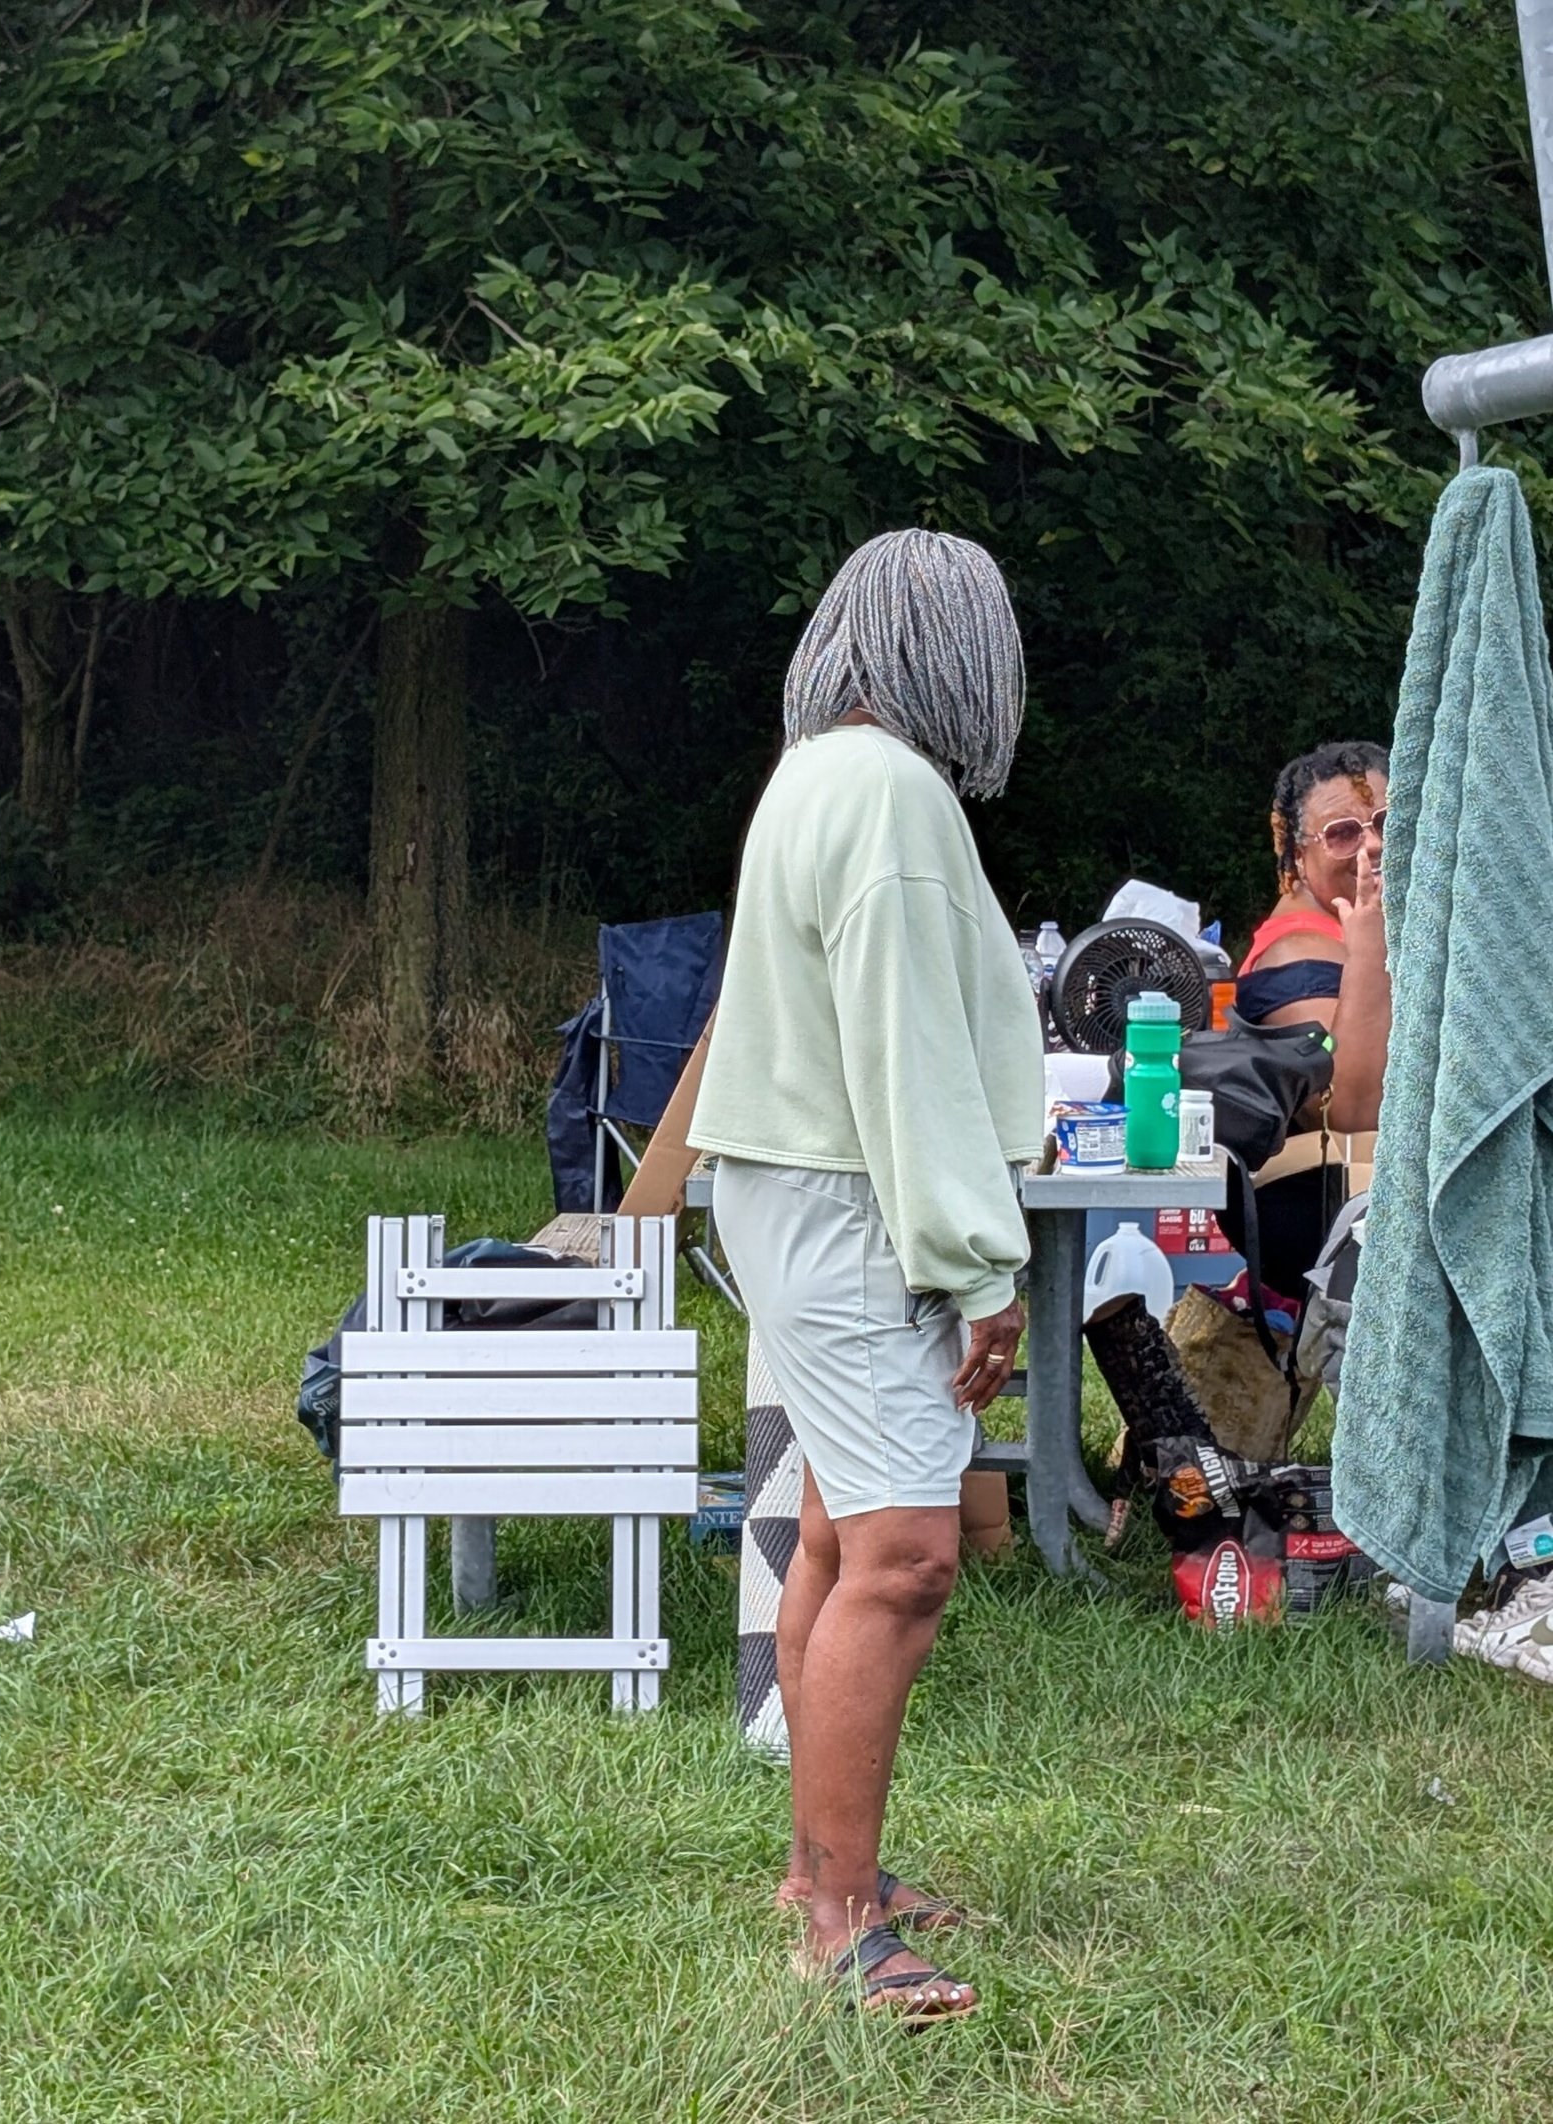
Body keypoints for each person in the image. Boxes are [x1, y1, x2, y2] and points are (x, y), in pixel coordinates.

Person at [689, 529, 1042, 2026]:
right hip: (853, 1210)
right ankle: (840, 1925)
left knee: (839, 1535)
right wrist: (979, 1266)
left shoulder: (817, 774)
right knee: (904, 1558)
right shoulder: (890, 796)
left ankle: (820, 1877)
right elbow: (908, 1056)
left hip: (803, 1192)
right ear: (954, 654)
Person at [1231, 739, 1391, 1299]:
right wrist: (1369, 950)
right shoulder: (1296, 955)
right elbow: (1349, 1112)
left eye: (1386, 822)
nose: (1373, 844)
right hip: (1325, 1218)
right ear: (1298, 856)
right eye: (1343, 833)